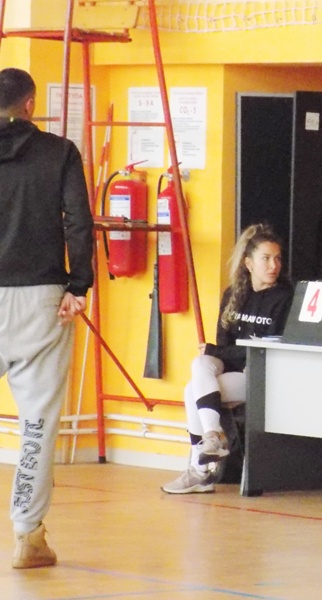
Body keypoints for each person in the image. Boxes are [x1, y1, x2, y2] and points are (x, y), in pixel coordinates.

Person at [0, 68, 94, 569]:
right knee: (37, 424)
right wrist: (79, 285)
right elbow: (78, 220)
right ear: (30, 104)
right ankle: (27, 537)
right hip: (40, 298)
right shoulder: (59, 152)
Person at [161, 223, 293, 494]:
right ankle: (212, 437)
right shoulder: (233, 295)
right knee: (199, 365)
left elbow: (262, 350)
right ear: (248, 263)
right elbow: (223, 345)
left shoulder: (284, 298)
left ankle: (200, 472)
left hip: (259, 374)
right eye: (266, 259)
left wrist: (217, 352)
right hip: (232, 370)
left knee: (193, 390)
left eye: (277, 259)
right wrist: (216, 352)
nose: (273, 266)